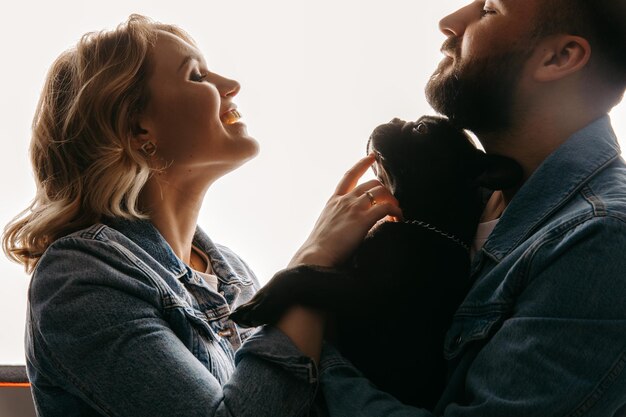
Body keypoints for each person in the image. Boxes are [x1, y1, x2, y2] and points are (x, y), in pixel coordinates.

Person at [2, 15, 401, 416]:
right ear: (139, 130)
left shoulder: (234, 272)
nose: (231, 86)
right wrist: (312, 265)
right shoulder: (80, 277)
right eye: (196, 75)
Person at [310, 0, 626, 415]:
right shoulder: (454, 200)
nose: (448, 22)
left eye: (489, 9)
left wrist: (310, 357)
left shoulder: (601, 239)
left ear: (559, 57)